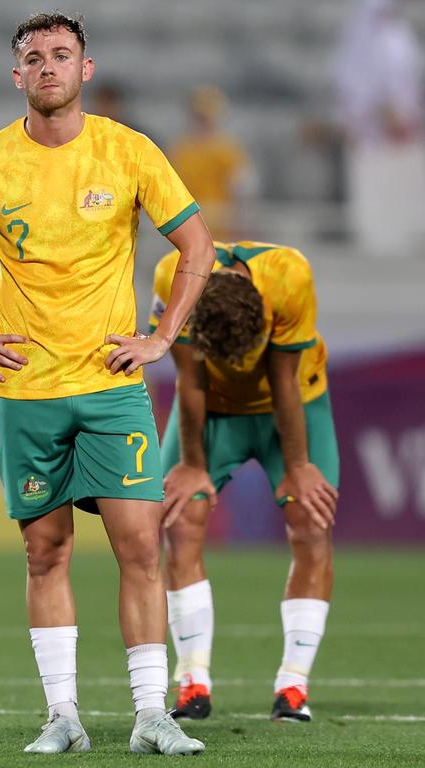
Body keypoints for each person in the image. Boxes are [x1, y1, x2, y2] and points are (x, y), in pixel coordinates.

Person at [0, 11, 215, 756]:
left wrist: (162, 337)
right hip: (26, 389)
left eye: (61, 54)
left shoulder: (129, 151)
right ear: (17, 76)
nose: (48, 66)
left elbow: (197, 245)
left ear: (86, 69)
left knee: (140, 545)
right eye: (34, 57)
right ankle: (64, 716)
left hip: (110, 383)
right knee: (44, 552)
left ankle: (151, 714)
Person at [149, 241, 339, 723]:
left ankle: (293, 686)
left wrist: (297, 466)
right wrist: (192, 464)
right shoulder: (175, 276)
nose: (235, 366)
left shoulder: (289, 276)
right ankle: (193, 681)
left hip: (295, 403)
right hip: (212, 412)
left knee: (311, 522)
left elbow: (284, 382)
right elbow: (190, 382)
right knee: (181, 520)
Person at [332, 0, 425, 257]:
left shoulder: (399, 35)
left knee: (402, 185)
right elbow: (353, 79)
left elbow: (406, 79)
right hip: (372, 127)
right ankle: (377, 242)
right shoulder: (360, 36)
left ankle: (403, 239)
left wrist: (407, 112)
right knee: (375, 187)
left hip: (404, 125)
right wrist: (378, 107)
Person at [168, 86, 253, 241]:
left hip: (221, 227)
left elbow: (241, 189)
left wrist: (240, 223)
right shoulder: (181, 149)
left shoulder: (227, 149)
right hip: (187, 225)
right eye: (199, 116)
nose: (203, 121)